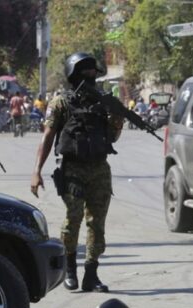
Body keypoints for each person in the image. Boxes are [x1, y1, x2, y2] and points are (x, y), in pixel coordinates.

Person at [30, 52, 124, 293]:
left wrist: (117, 117)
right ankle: (70, 270)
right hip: (73, 169)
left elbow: (112, 137)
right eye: (86, 70)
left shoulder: (103, 102)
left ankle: (91, 273)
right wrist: (36, 170)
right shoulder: (61, 102)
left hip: (100, 169)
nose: (91, 74)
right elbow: (48, 136)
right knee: (73, 220)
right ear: (74, 73)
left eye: (94, 70)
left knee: (97, 223)